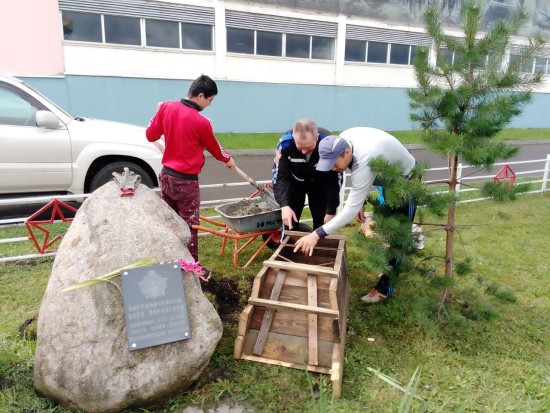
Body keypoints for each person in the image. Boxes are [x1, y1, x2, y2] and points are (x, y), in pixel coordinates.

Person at [293, 127, 417, 303]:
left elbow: (349, 210)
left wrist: (316, 234)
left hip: (405, 180)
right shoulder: (342, 140)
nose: (333, 169)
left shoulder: (365, 159)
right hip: (384, 172)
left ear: (346, 152)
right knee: (385, 225)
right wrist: (362, 199)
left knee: (400, 235)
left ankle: (385, 288)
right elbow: (360, 178)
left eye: (334, 164)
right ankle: (388, 265)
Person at [146, 74, 236, 262]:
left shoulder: (166, 108)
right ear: (201, 96)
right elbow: (214, 146)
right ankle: (191, 267)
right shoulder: (201, 122)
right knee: (190, 225)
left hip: (166, 177)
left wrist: (158, 113)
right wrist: (227, 159)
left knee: (169, 221)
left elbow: (150, 134)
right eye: (210, 100)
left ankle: (170, 260)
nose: (210, 104)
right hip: (186, 181)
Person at [272, 119, 341, 230]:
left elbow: (334, 178)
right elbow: (280, 177)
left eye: (309, 147)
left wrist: (331, 209)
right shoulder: (285, 144)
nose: (304, 151)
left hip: (320, 183)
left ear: (317, 137)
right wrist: (284, 205)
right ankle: (289, 244)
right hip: (294, 182)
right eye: (300, 147)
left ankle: (319, 244)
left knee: (322, 222)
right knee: (290, 221)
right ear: (294, 137)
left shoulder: (329, 144)